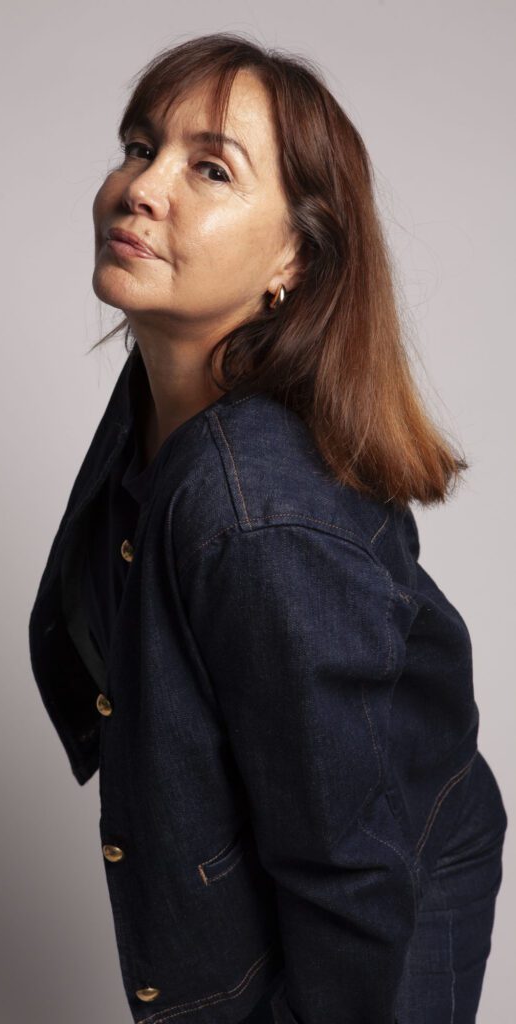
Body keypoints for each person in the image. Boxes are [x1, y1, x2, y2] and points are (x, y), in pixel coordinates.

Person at [28, 33, 508, 1024]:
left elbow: (349, 875)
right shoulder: (164, 401)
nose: (140, 188)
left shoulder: (258, 515)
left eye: (210, 169)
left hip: (377, 907)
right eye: (139, 147)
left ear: (294, 255)